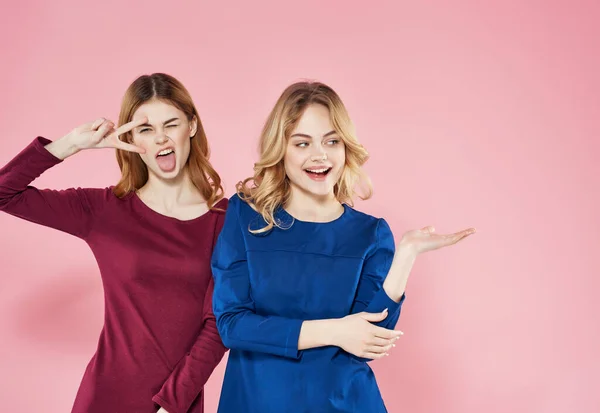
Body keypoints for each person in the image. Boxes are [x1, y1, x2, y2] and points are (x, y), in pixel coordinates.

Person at [211, 81, 476, 412]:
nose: (319, 155)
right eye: (302, 143)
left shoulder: (370, 233)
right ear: (281, 150)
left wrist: (407, 254)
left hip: (344, 402)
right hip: (256, 401)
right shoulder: (245, 215)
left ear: (345, 147)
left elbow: (369, 340)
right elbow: (232, 325)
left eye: (331, 141)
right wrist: (334, 331)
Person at [0, 73, 227, 413]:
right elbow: (5, 193)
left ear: (192, 126)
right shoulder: (105, 210)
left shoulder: (225, 220)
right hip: (103, 398)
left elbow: (219, 324)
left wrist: (172, 405)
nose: (161, 138)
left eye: (172, 124)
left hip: (176, 405)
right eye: (146, 129)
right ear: (131, 138)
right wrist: (71, 144)